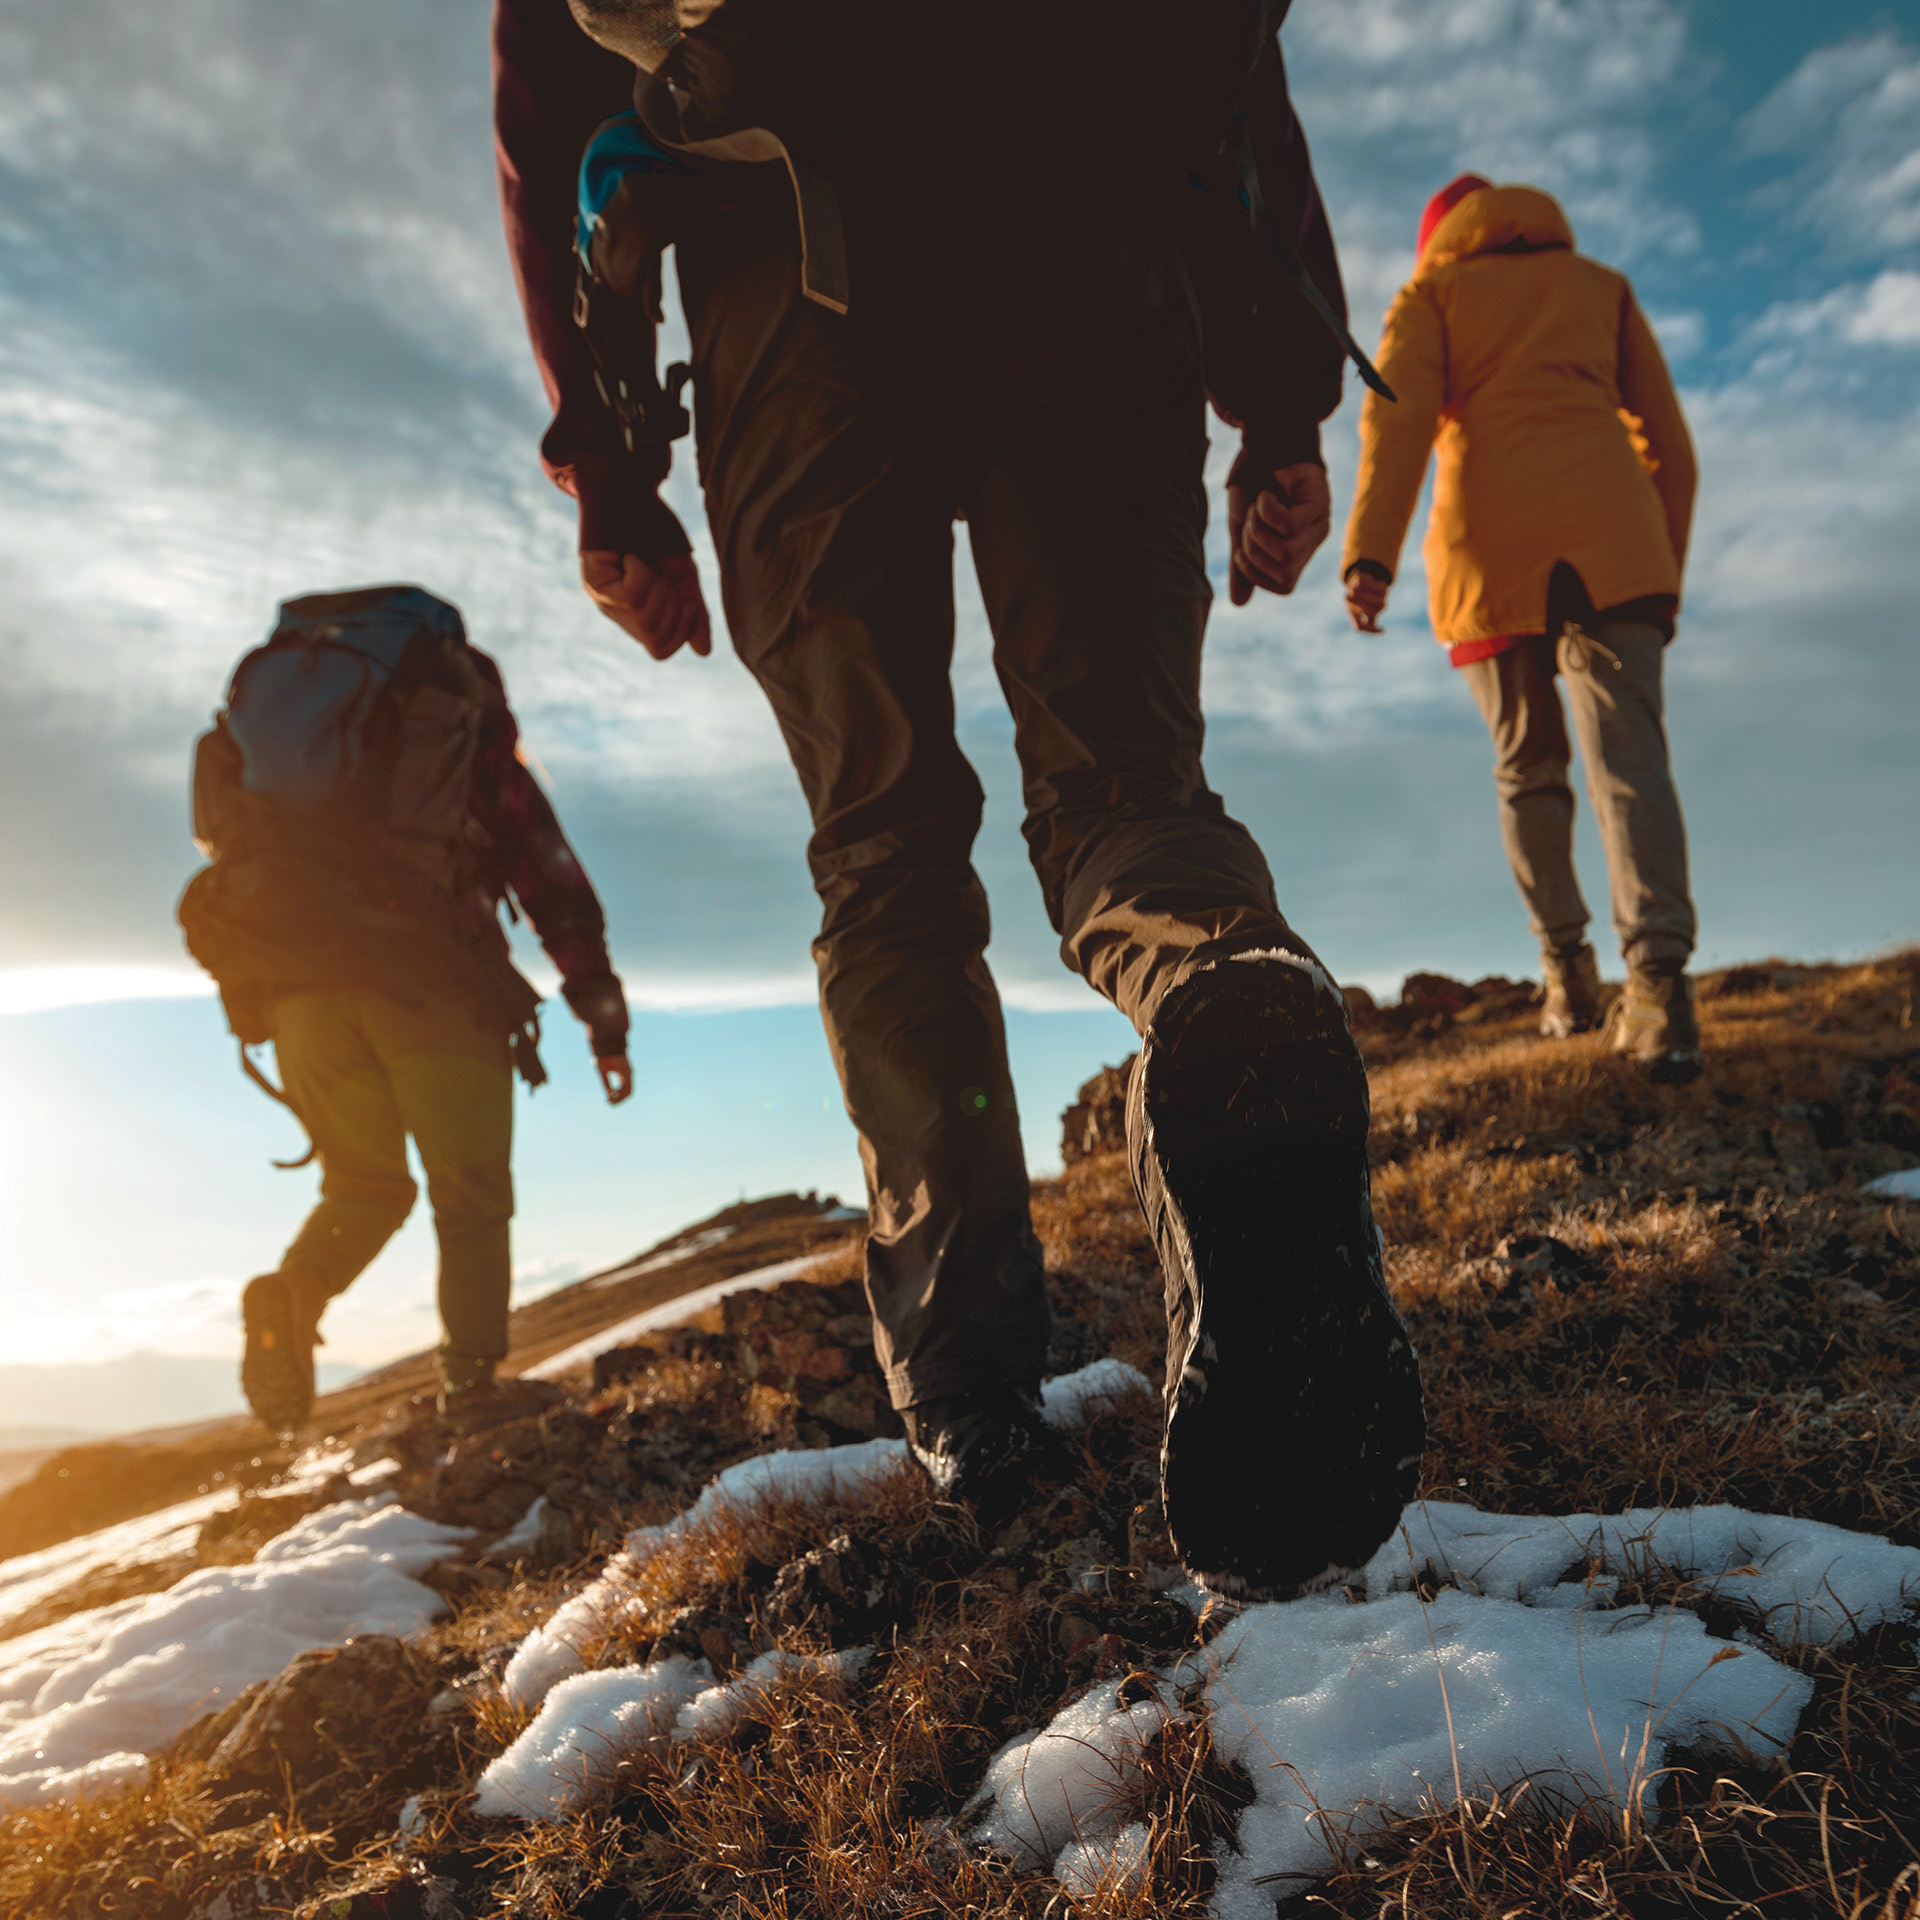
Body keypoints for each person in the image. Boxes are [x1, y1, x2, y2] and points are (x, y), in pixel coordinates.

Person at [490, 0, 1425, 1598]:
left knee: (883, 849)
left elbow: (548, 101)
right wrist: (1278, 407)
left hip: (785, 274)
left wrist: (620, 473)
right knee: (1126, 786)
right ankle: (1218, 981)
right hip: (1095, 243)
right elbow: (1234, 87)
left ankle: (979, 1404)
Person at [179, 585, 634, 1431]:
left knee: (363, 1184)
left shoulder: (283, 742)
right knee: (468, 1197)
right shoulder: (466, 750)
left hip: (301, 997)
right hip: (431, 985)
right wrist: (604, 1022)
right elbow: (553, 886)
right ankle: (473, 1388)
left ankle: (293, 1292)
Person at [1341, 175, 1703, 1082]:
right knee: (1631, 757)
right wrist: (1657, 574)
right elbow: (1674, 448)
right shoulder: (1599, 286)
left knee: (1526, 769)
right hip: (1616, 543)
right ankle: (1657, 992)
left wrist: (1370, 553)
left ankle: (1568, 980)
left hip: (1488, 550)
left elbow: (1400, 416)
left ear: (1439, 240)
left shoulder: (1434, 294)